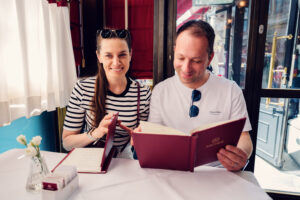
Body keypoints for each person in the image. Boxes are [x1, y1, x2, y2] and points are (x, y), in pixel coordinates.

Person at [148, 20, 253, 171]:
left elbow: (244, 137)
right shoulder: (160, 91)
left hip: (217, 173)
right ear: (174, 50)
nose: (186, 68)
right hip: (171, 170)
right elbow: (154, 135)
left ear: (210, 58)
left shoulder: (230, 90)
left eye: (196, 61)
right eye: (180, 58)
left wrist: (240, 155)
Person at [62, 29, 151, 159]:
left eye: (122, 55)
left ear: (130, 54)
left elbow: (144, 143)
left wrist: (140, 139)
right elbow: (67, 143)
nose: (116, 62)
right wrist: (96, 132)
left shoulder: (143, 93)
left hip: (124, 160)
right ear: (99, 56)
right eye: (108, 55)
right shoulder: (82, 89)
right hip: (91, 160)